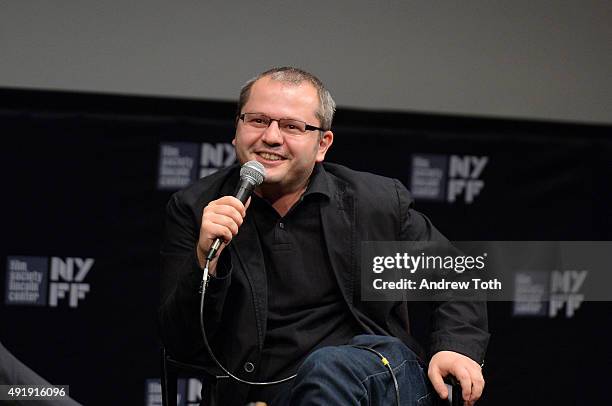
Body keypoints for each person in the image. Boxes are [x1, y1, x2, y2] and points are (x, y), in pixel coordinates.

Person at [159, 67, 489, 406]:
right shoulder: (198, 209)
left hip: (370, 379)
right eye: (257, 121)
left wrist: (456, 346)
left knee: (327, 367)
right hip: (262, 394)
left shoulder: (371, 203)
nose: (271, 137)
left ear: (322, 144)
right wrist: (206, 263)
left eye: (292, 126)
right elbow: (181, 343)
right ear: (237, 130)